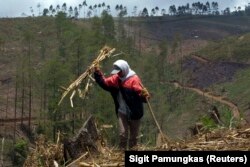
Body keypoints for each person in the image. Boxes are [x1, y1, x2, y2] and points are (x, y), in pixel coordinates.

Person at [94, 59, 150, 150]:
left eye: (119, 72)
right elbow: (104, 83)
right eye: (116, 72)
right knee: (123, 134)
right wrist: (97, 73)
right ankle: (121, 153)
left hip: (135, 112)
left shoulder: (134, 80)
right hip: (121, 110)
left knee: (134, 137)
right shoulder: (116, 79)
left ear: (124, 70)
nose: (118, 74)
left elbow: (144, 98)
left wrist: (145, 95)